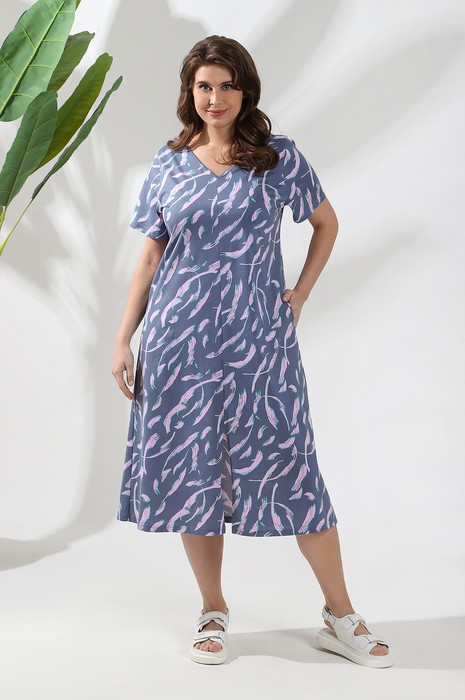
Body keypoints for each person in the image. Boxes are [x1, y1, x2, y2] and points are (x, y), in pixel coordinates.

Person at [112, 35, 392, 668]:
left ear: (245, 92)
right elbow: (150, 258)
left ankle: (340, 615)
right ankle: (212, 609)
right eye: (204, 86)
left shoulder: (277, 157)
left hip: (261, 343)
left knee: (294, 468)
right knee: (193, 472)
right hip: (178, 342)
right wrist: (123, 339)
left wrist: (299, 295)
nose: (215, 98)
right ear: (189, 92)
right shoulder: (168, 164)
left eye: (226, 86)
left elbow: (326, 224)